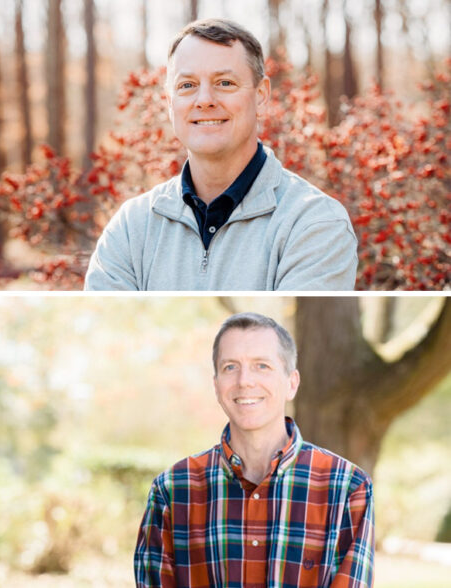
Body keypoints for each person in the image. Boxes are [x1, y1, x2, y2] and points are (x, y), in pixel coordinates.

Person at [84, 19, 357, 291]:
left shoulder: (314, 223)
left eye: (224, 82)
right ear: (169, 103)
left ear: (261, 96)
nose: (204, 99)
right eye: (187, 85)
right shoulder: (132, 227)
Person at [134, 312, 374, 587]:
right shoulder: (172, 489)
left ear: (291, 383)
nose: (244, 381)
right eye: (230, 367)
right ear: (216, 386)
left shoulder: (348, 487)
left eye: (262, 366)